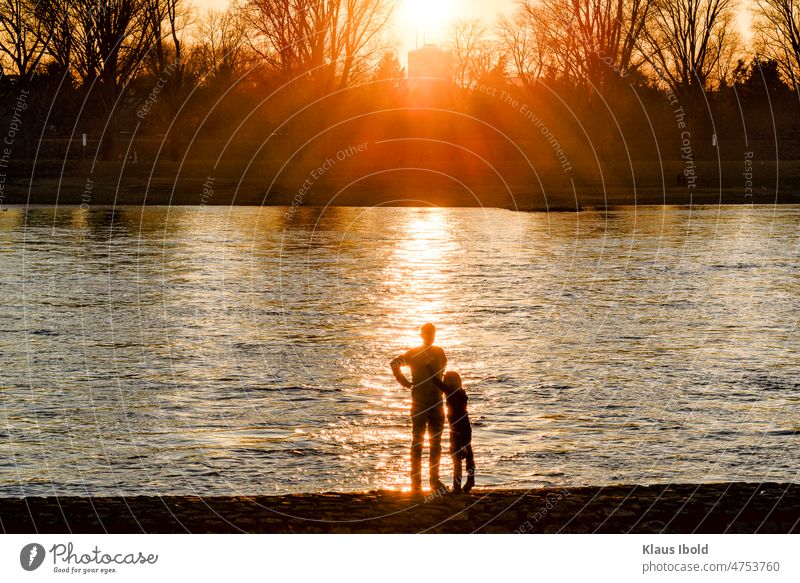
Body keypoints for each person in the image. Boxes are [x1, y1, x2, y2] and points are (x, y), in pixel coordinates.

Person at [390, 323, 447, 493]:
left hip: (434, 402)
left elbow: (394, 363)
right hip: (426, 402)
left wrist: (405, 382)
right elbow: (394, 363)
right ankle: (421, 483)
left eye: (432, 332)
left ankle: (430, 482)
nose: (431, 335)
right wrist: (404, 382)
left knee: (428, 443)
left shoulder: (433, 352)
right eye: (429, 333)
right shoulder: (418, 353)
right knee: (422, 443)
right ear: (422, 335)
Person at [430, 368, 475, 493]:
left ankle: (464, 484)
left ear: (459, 382)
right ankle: (461, 484)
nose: (450, 382)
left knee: (464, 456)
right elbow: (442, 387)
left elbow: (440, 385)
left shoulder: (459, 393)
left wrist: (430, 371)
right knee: (458, 457)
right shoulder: (451, 393)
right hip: (454, 430)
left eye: (454, 380)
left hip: (463, 430)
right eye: (448, 380)